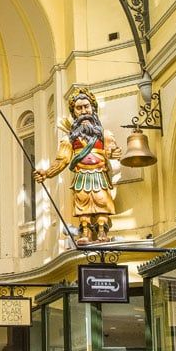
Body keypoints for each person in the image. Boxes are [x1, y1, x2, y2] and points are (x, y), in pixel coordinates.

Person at [33, 86, 122, 244]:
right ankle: (85, 232)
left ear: (93, 108)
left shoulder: (105, 135)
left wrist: (114, 153)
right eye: (79, 108)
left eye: (86, 107)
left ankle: (102, 231)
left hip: (99, 174)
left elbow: (111, 151)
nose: (83, 111)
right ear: (73, 112)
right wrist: (46, 173)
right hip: (81, 176)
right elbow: (62, 161)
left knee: (102, 201)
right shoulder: (69, 140)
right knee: (82, 203)